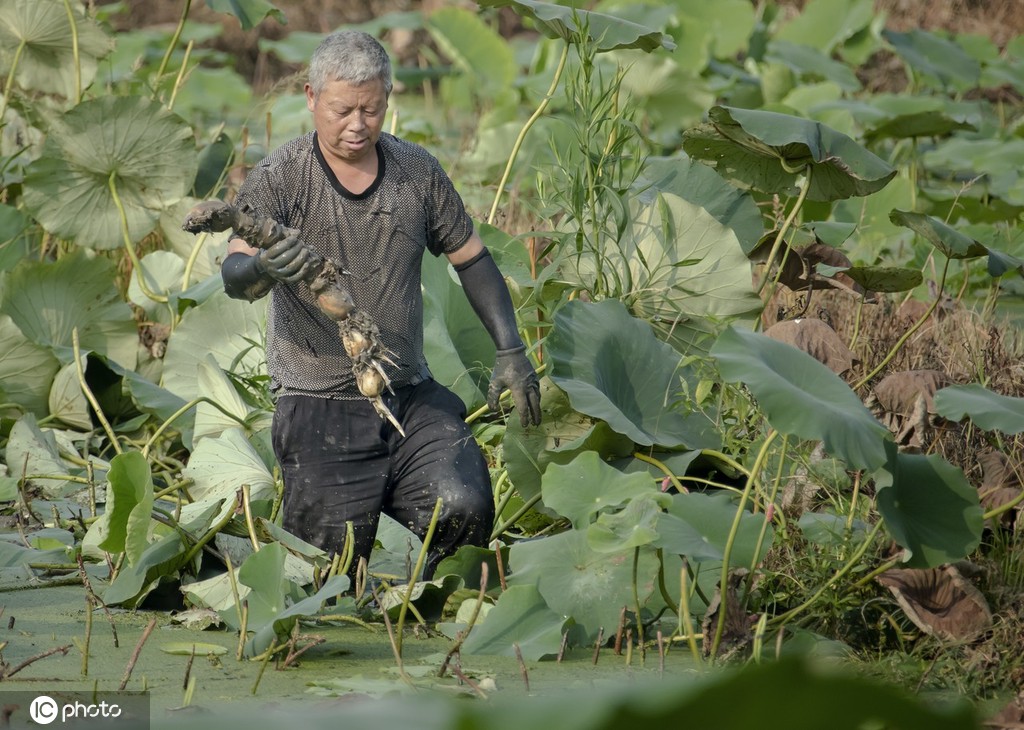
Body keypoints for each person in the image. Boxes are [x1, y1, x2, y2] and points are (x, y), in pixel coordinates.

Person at [219, 30, 541, 582]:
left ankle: (430, 626)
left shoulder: (416, 172)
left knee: (462, 508)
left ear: (388, 99)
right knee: (328, 569)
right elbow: (233, 275)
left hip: (408, 391)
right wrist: (265, 268)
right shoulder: (282, 177)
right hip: (317, 402)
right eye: (343, 109)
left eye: (372, 109)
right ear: (312, 97)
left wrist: (511, 348)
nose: (357, 125)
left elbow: (472, 260)